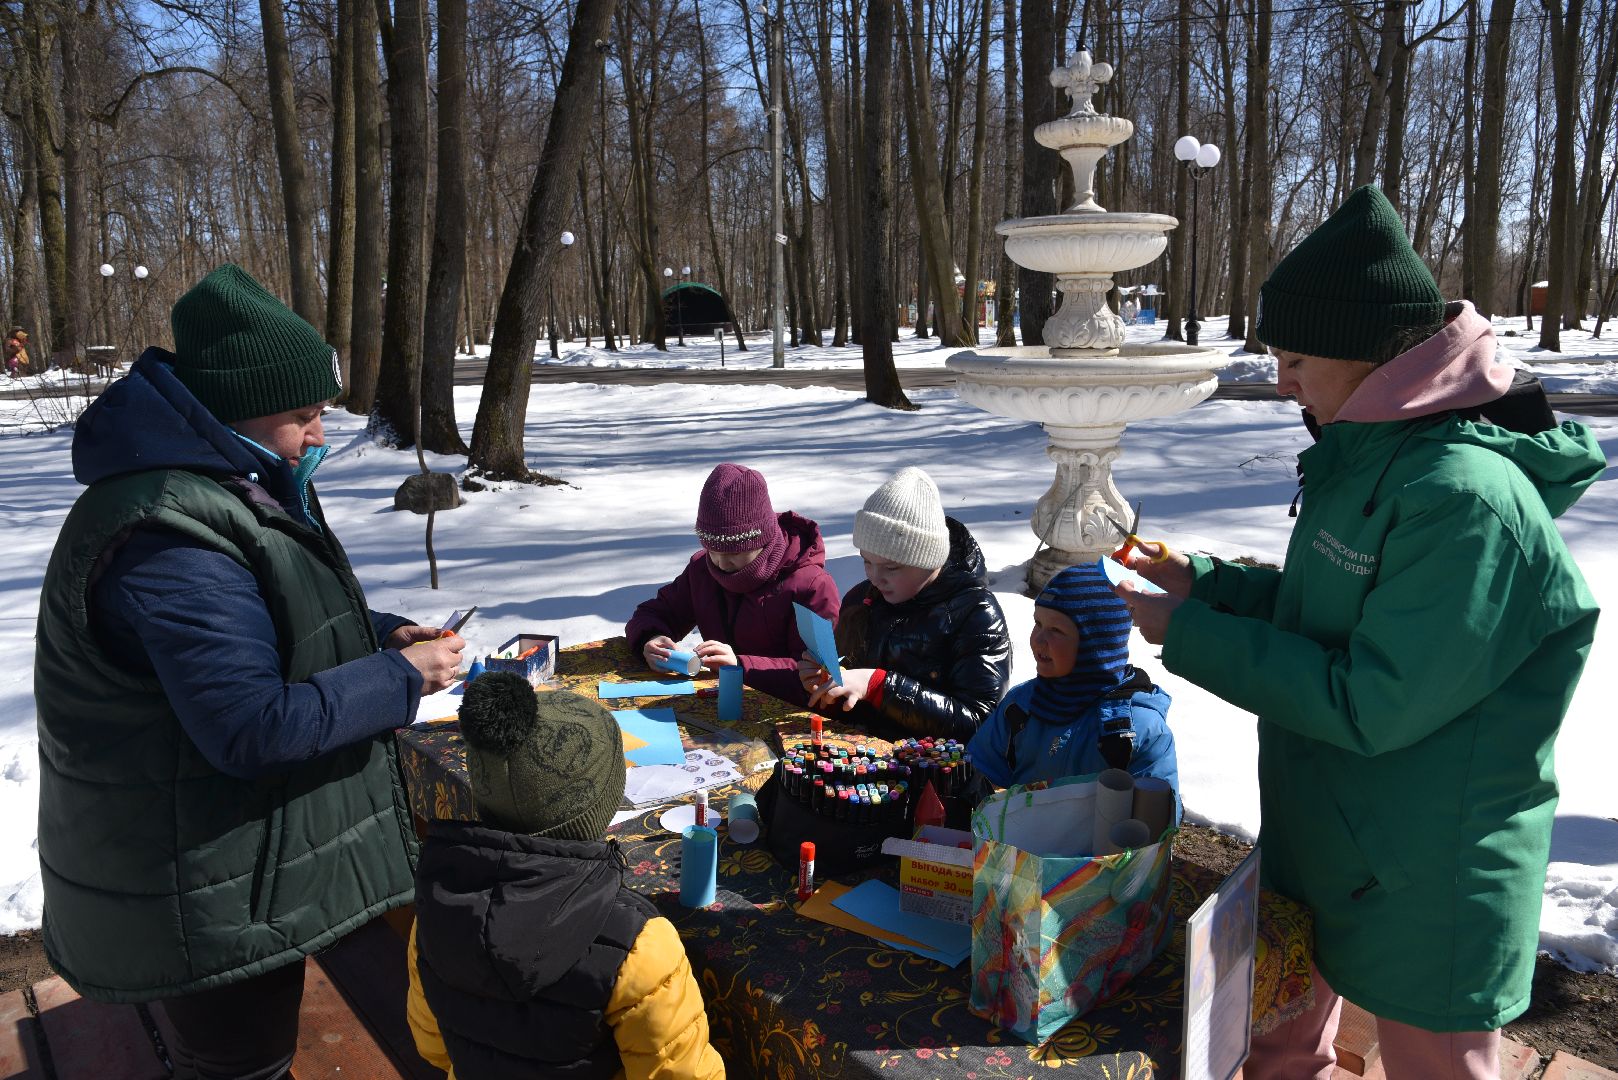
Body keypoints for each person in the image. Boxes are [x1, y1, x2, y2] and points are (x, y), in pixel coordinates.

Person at [1113, 187, 1602, 1080]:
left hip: (1429, 874)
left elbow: (1371, 699)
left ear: (1376, 357)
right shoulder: (1360, 450)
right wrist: (1202, 585)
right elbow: (1320, 608)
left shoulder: (1466, 504)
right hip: (1328, 838)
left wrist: (1189, 634)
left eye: (1297, 358)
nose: (1281, 380)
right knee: (1274, 1047)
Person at [34, 263, 465, 1079]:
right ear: (234, 411)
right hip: (198, 882)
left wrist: (376, 632)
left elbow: (264, 620)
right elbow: (250, 724)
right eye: (302, 415)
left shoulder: (228, 486)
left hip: (222, 861)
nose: (320, 434)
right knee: (238, 1059)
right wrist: (402, 677)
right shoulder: (171, 530)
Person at [407, 673, 725, 1079]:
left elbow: (433, 1046)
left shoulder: (436, 908)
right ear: (604, 803)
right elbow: (681, 1073)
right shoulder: (639, 942)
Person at [802, 466, 1011, 741]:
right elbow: (852, 701)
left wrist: (880, 686)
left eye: (892, 567)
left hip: (934, 773)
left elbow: (979, 722)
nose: (875, 578)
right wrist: (827, 686)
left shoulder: (975, 613)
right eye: (866, 561)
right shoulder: (862, 599)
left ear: (928, 559)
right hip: (862, 759)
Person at [627, 462, 840, 707]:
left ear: (763, 538)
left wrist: (741, 666)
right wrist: (652, 638)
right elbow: (654, 612)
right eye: (713, 550)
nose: (721, 563)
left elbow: (819, 675)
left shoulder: (810, 586)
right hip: (725, 707)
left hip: (786, 717)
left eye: (735, 553)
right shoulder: (703, 570)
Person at [968, 562, 1176, 791]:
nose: (1038, 639)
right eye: (1038, 623)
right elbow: (980, 773)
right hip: (1018, 826)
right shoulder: (1020, 706)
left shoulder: (1136, 728)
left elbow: (1156, 812)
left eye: (1056, 630)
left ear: (1096, 644)